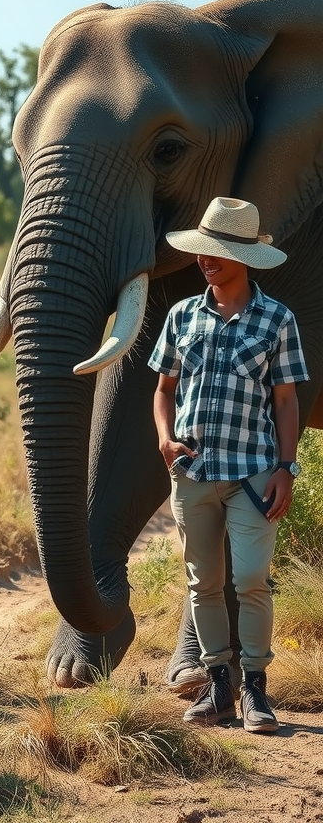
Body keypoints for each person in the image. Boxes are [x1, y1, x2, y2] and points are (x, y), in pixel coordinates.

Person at [149, 197, 308, 733]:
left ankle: (256, 691)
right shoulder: (182, 316)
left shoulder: (276, 320)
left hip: (254, 473)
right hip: (193, 473)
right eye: (204, 251)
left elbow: (286, 401)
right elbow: (163, 389)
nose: (206, 261)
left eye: (218, 253)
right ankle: (219, 686)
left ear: (246, 259)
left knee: (251, 580)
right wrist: (166, 441)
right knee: (204, 583)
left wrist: (287, 466)